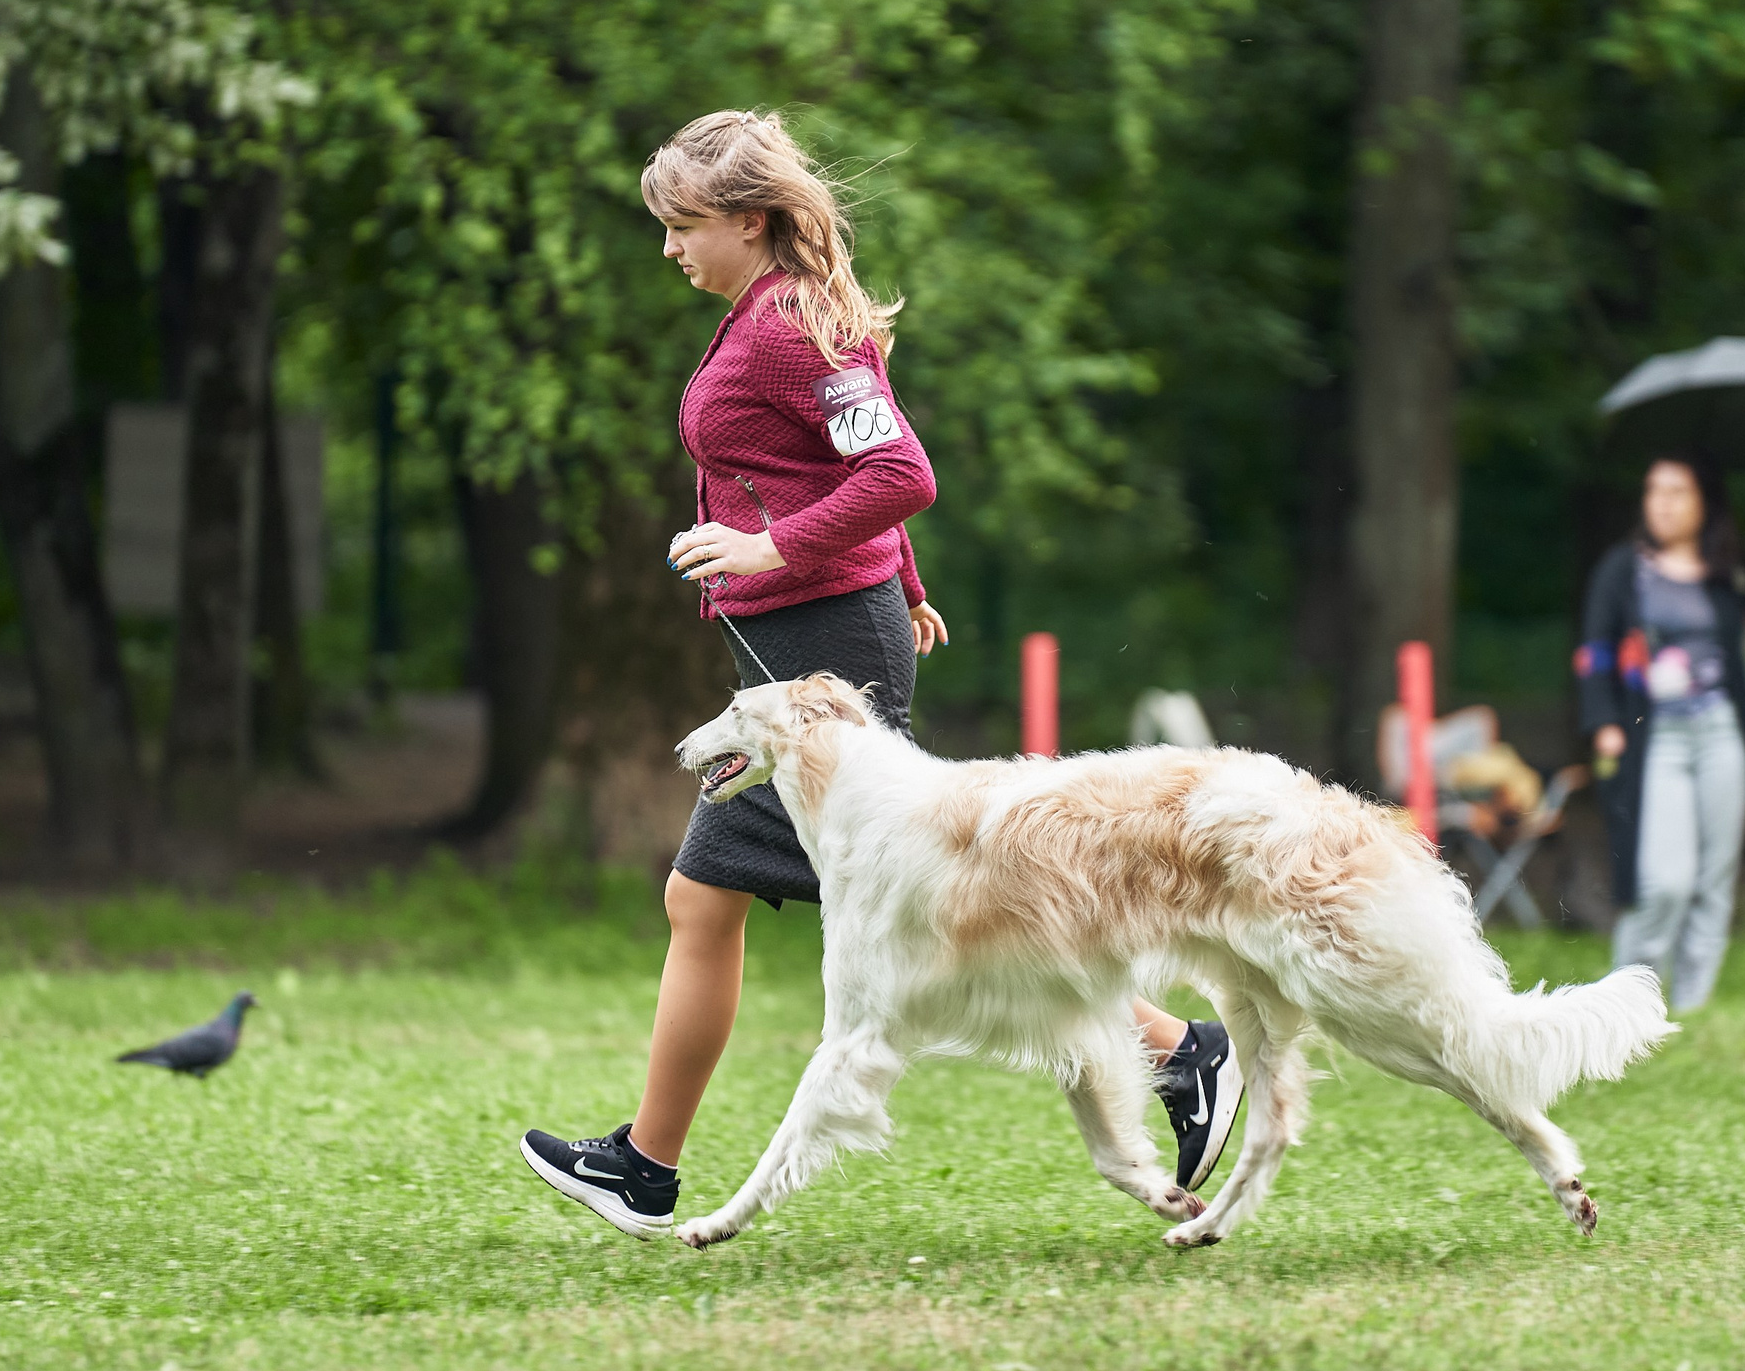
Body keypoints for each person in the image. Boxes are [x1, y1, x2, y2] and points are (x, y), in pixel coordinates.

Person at [519, 111, 1241, 1238]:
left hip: (820, 655)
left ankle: (645, 1164)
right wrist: (896, 580)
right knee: (917, 902)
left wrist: (779, 552)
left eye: (684, 225)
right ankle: (1178, 1052)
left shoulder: (785, 327)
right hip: (824, 633)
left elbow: (901, 466)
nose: (669, 248)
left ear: (749, 220)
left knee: (710, 898)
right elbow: (845, 460)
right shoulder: (774, 314)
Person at [1575, 455, 1745, 1013]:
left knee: (1715, 880)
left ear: (1705, 502)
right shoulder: (1623, 570)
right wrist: (1605, 722)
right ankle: (1627, 1001)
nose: (1662, 502)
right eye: (1653, 490)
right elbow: (1595, 653)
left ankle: (1690, 1005)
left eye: (1678, 491)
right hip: (1655, 735)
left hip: (1723, 731)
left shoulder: (1729, 573)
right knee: (1664, 880)